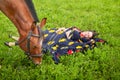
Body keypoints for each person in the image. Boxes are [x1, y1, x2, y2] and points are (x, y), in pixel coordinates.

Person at [5, 27, 106, 63]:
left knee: (45, 44)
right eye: (87, 32)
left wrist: (91, 40)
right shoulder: (77, 29)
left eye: (88, 36)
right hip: (57, 33)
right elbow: (66, 29)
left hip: (60, 39)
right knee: (41, 36)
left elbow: (77, 39)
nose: (86, 34)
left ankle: (16, 43)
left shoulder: (80, 38)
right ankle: (17, 39)